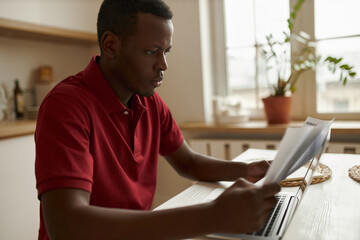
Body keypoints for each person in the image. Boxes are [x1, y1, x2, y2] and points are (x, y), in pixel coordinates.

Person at [35, 0, 280, 239]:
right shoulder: (66, 105)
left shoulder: (148, 101)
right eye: (152, 51)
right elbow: (67, 226)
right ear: (110, 45)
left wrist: (246, 170)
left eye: (166, 51)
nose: (163, 64)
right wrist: (212, 216)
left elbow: (189, 162)